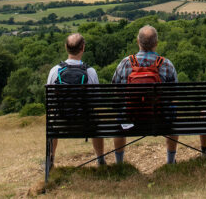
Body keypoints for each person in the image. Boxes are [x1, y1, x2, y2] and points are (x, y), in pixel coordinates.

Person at [110, 25, 180, 164]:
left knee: (120, 113)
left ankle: (119, 163)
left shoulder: (124, 63)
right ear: (156, 43)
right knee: (172, 111)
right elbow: (174, 94)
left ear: (138, 42)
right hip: (161, 119)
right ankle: (170, 161)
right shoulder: (167, 64)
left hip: (130, 119)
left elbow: (115, 91)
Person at [46, 33, 105, 169]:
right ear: (83, 48)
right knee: (96, 121)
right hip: (86, 122)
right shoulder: (91, 72)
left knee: (52, 121)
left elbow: (50, 102)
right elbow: (96, 101)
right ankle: (101, 160)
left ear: (66, 47)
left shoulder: (55, 71)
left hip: (60, 122)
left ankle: (51, 160)